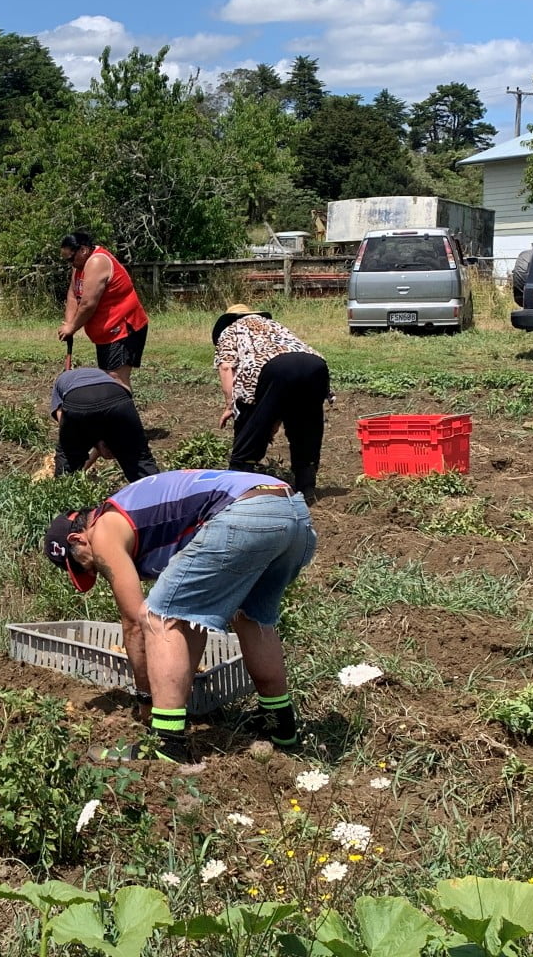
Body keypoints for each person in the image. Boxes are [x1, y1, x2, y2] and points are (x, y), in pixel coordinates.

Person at [44, 469, 316, 764]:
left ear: (78, 539)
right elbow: (190, 614)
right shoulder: (144, 514)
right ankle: (278, 722)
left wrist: (146, 697)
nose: (94, 571)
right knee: (249, 616)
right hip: (291, 512)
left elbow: (135, 622)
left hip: (244, 514)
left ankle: (167, 743)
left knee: (157, 617)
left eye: (84, 566)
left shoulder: (104, 529)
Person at [212, 304, 330, 504]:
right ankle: (306, 486)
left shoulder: (230, 330)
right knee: (306, 424)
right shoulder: (273, 325)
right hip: (315, 366)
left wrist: (230, 405)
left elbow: (226, 367)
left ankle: (238, 482)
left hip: (273, 368)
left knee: (248, 418)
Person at [58, 232, 150, 388]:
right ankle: (112, 410)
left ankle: (123, 412)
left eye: (71, 258)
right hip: (106, 332)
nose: (70, 263)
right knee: (108, 377)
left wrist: (72, 327)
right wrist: (68, 323)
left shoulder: (96, 262)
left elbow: (88, 304)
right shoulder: (79, 265)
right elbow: (73, 294)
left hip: (123, 327)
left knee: (116, 379)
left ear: (83, 250)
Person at [49, 367, 159, 481]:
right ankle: (155, 493)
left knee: (68, 455)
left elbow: (66, 425)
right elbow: (107, 417)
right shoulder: (104, 376)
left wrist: (92, 445)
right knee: (139, 458)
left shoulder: (60, 383)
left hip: (79, 399)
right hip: (117, 396)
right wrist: (101, 443)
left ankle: (65, 490)